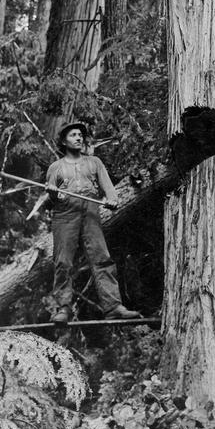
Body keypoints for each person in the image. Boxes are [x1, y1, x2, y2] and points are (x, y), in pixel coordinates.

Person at [45, 122, 140, 324]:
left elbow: (109, 189)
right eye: (73, 135)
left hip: (90, 212)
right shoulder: (56, 167)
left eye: (80, 135)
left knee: (101, 257)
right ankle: (63, 308)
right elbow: (50, 200)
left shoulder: (94, 162)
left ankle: (113, 306)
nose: (78, 138)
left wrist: (113, 200)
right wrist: (52, 194)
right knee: (63, 261)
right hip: (64, 215)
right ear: (64, 141)